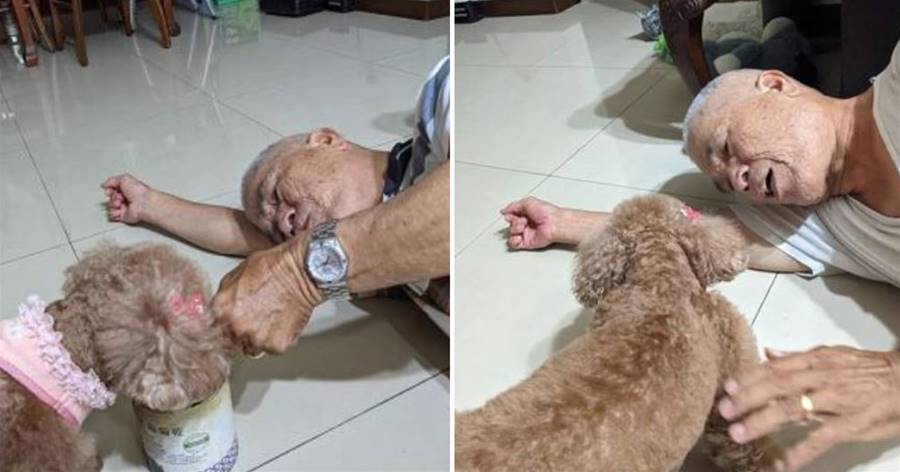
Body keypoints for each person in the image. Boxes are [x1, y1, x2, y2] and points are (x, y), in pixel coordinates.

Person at [501, 42, 900, 471]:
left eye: (725, 146)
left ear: (775, 84)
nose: (738, 179)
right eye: (726, 184)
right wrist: (562, 222)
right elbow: (691, 231)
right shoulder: (826, 227)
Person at [103, 57, 451, 350]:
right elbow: (240, 232)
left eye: (276, 194)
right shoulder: (373, 265)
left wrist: (297, 275)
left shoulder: (442, 94)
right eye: (274, 230)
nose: (284, 222)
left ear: (326, 140)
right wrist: (150, 204)